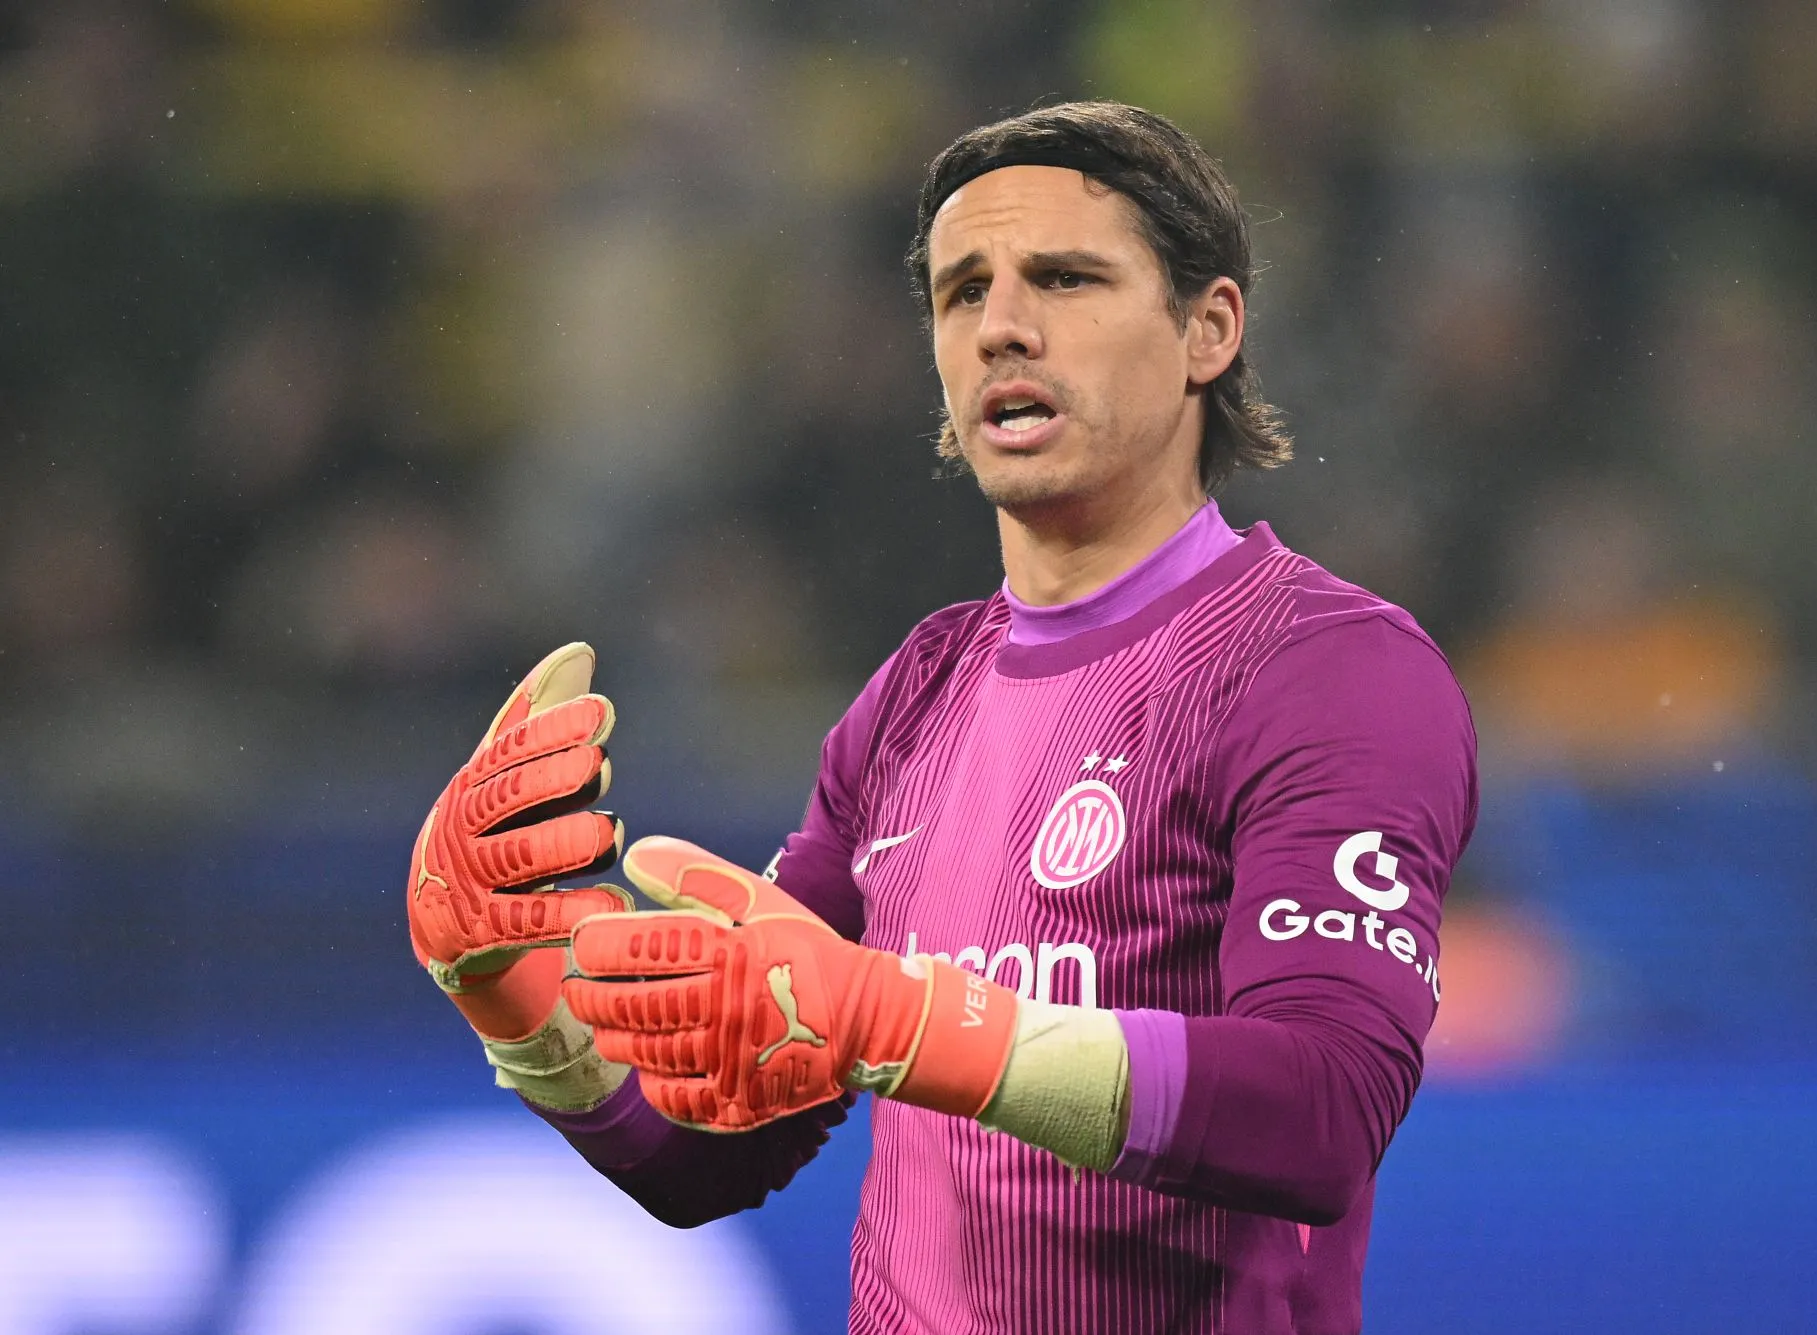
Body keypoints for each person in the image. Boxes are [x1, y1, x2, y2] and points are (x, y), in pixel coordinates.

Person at [406, 101, 1478, 1335]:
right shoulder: (910, 699)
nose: (1002, 328)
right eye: (961, 292)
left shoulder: (1324, 666)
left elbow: (1320, 1113)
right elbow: (705, 1154)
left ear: (1207, 330)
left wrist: (909, 1019)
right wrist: (510, 990)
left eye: (1065, 279)